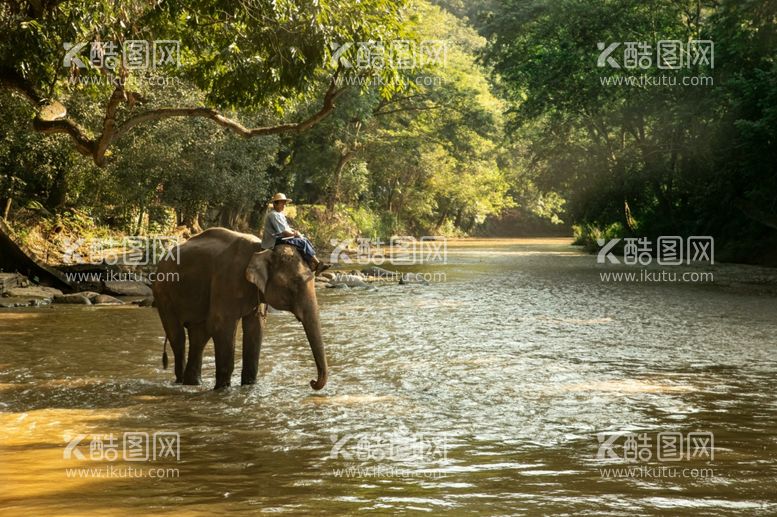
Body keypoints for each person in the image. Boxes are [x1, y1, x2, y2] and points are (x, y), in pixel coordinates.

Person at [261, 193, 331, 274]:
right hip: (274, 240)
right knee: (302, 242)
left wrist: (294, 232)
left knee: (304, 239)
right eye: (281, 203)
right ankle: (317, 264)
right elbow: (283, 232)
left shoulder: (280, 214)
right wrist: (294, 234)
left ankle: (313, 264)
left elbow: (286, 228)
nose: (284, 205)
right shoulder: (273, 215)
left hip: (281, 237)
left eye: (284, 203)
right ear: (275, 204)